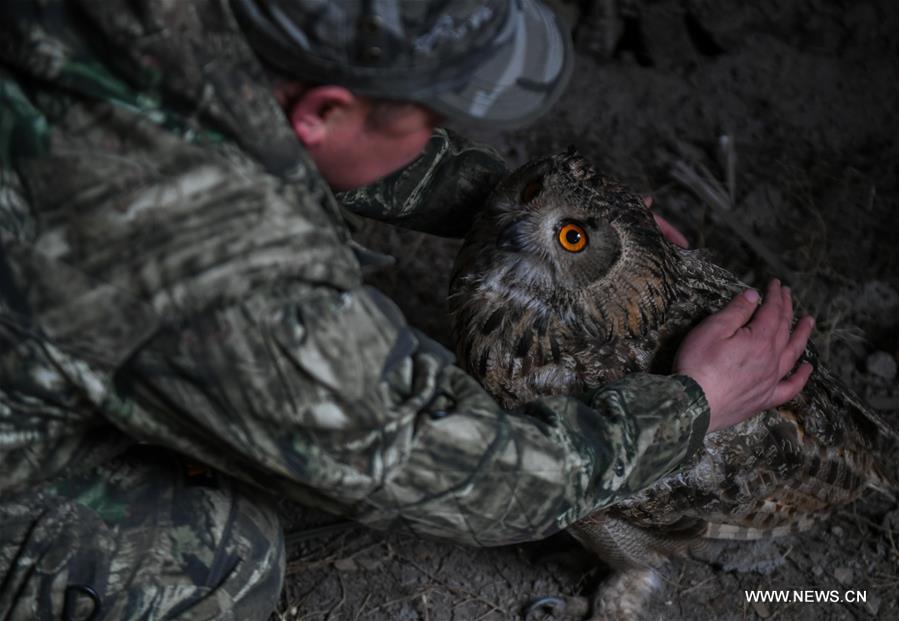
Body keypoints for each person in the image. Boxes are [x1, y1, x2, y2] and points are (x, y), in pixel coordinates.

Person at [0, 0, 813, 619]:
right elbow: (444, 467)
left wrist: (532, 208)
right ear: (321, 112)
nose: (436, 134)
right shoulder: (224, 276)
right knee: (211, 547)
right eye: (430, 121)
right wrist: (691, 404)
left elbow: (319, 128)